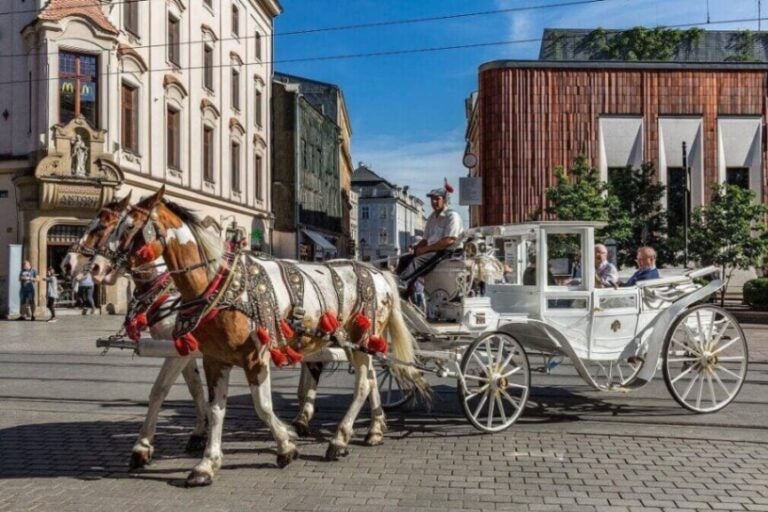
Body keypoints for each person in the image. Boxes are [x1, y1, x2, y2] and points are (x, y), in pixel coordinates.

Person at [396, 179, 463, 287]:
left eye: (437, 199)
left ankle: (401, 283)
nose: (434, 202)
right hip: (433, 250)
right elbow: (425, 239)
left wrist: (425, 249)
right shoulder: (431, 218)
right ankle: (404, 290)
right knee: (405, 259)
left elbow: (449, 240)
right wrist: (416, 248)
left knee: (417, 261)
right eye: (432, 199)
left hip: (447, 252)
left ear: (444, 200)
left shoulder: (452, 216)